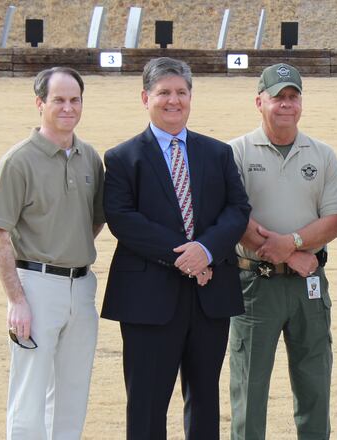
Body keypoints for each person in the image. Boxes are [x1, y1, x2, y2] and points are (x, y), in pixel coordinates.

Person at [101, 57, 251, 439]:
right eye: (164, 92)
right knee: (147, 404)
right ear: (145, 97)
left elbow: (238, 210)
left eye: (181, 92)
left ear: (191, 97)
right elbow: (123, 220)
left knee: (204, 402)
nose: (174, 100)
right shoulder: (122, 158)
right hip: (148, 300)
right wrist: (186, 256)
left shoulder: (217, 153)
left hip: (209, 295)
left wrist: (206, 249)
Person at [226, 62, 337, 440]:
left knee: (314, 384)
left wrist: (292, 243)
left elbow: (334, 221)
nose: (286, 105)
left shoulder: (322, 154)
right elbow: (235, 218)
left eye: (293, 97)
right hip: (254, 286)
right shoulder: (236, 152)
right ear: (259, 101)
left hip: (308, 287)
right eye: (278, 98)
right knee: (250, 389)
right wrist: (290, 253)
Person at [0, 66, 104, 439]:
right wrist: (16, 299)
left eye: (75, 100)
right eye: (58, 100)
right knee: (29, 395)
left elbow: (94, 219)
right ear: (40, 103)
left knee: (72, 394)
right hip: (35, 288)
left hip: (82, 286)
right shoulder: (18, 161)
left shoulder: (90, 158)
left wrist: (71, 250)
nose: (68, 108)